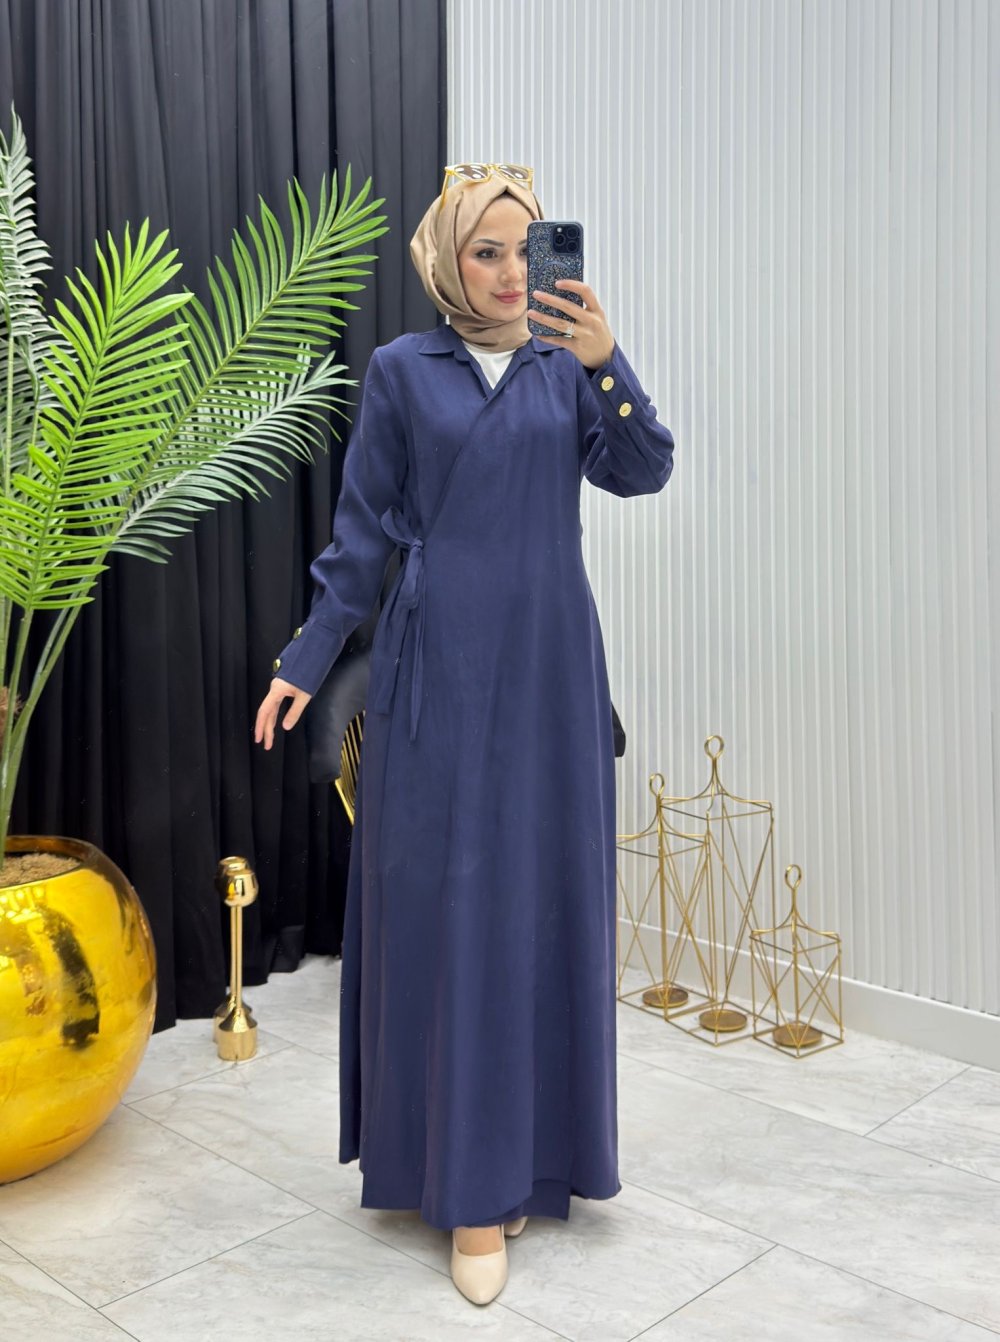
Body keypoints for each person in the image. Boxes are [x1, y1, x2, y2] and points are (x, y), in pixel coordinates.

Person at [254, 163, 675, 1306]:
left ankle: (532, 1161)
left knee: (540, 906)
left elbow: (644, 469)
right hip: (435, 664)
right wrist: (304, 661)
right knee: (450, 910)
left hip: (547, 669)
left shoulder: (564, 367)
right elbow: (359, 541)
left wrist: (608, 363)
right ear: (447, 259)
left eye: (525, 251)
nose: (507, 272)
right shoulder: (403, 370)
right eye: (485, 251)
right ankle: (465, 1183)